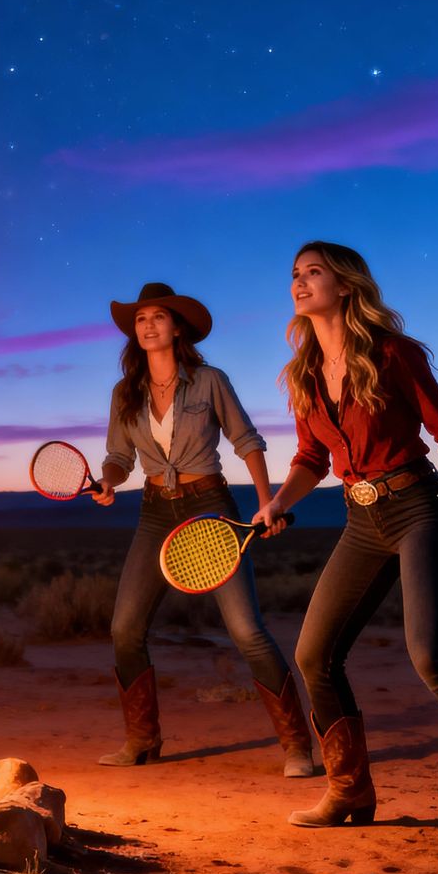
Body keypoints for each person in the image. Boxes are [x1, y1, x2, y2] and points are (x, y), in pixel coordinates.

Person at [252, 242, 438, 864]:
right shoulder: (304, 375)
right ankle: (349, 792)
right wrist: (277, 502)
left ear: (345, 286)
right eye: (294, 274)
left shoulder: (394, 354)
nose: (299, 282)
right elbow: (312, 459)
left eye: (313, 272)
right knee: (314, 654)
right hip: (359, 519)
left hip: (420, 507)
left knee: (432, 655)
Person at [93, 282, 315, 775]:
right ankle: (142, 741)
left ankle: (298, 746)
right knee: (124, 628)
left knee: (246, 630)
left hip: (210, 507)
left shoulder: (210, 379)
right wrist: (107, 482)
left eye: (158, 317)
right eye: (140, 319)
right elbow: (118, 457)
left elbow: (247, 440)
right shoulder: (124, 393)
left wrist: (267, 504)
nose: (148, 325)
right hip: (154, 512)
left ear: (177, 328)